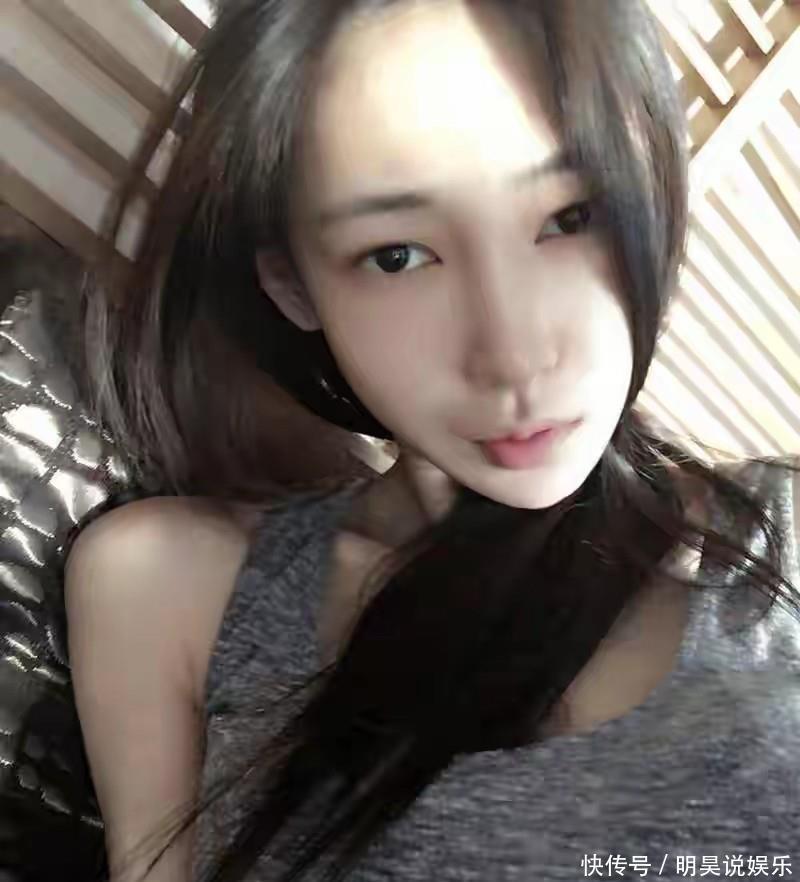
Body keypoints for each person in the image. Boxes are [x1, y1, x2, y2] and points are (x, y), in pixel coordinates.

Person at [63, 1, 800, 880]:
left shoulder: (783, 534)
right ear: (294, 287)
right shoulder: (169, 585)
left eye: (573, 215)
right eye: (396, 255)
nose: (514, 356)